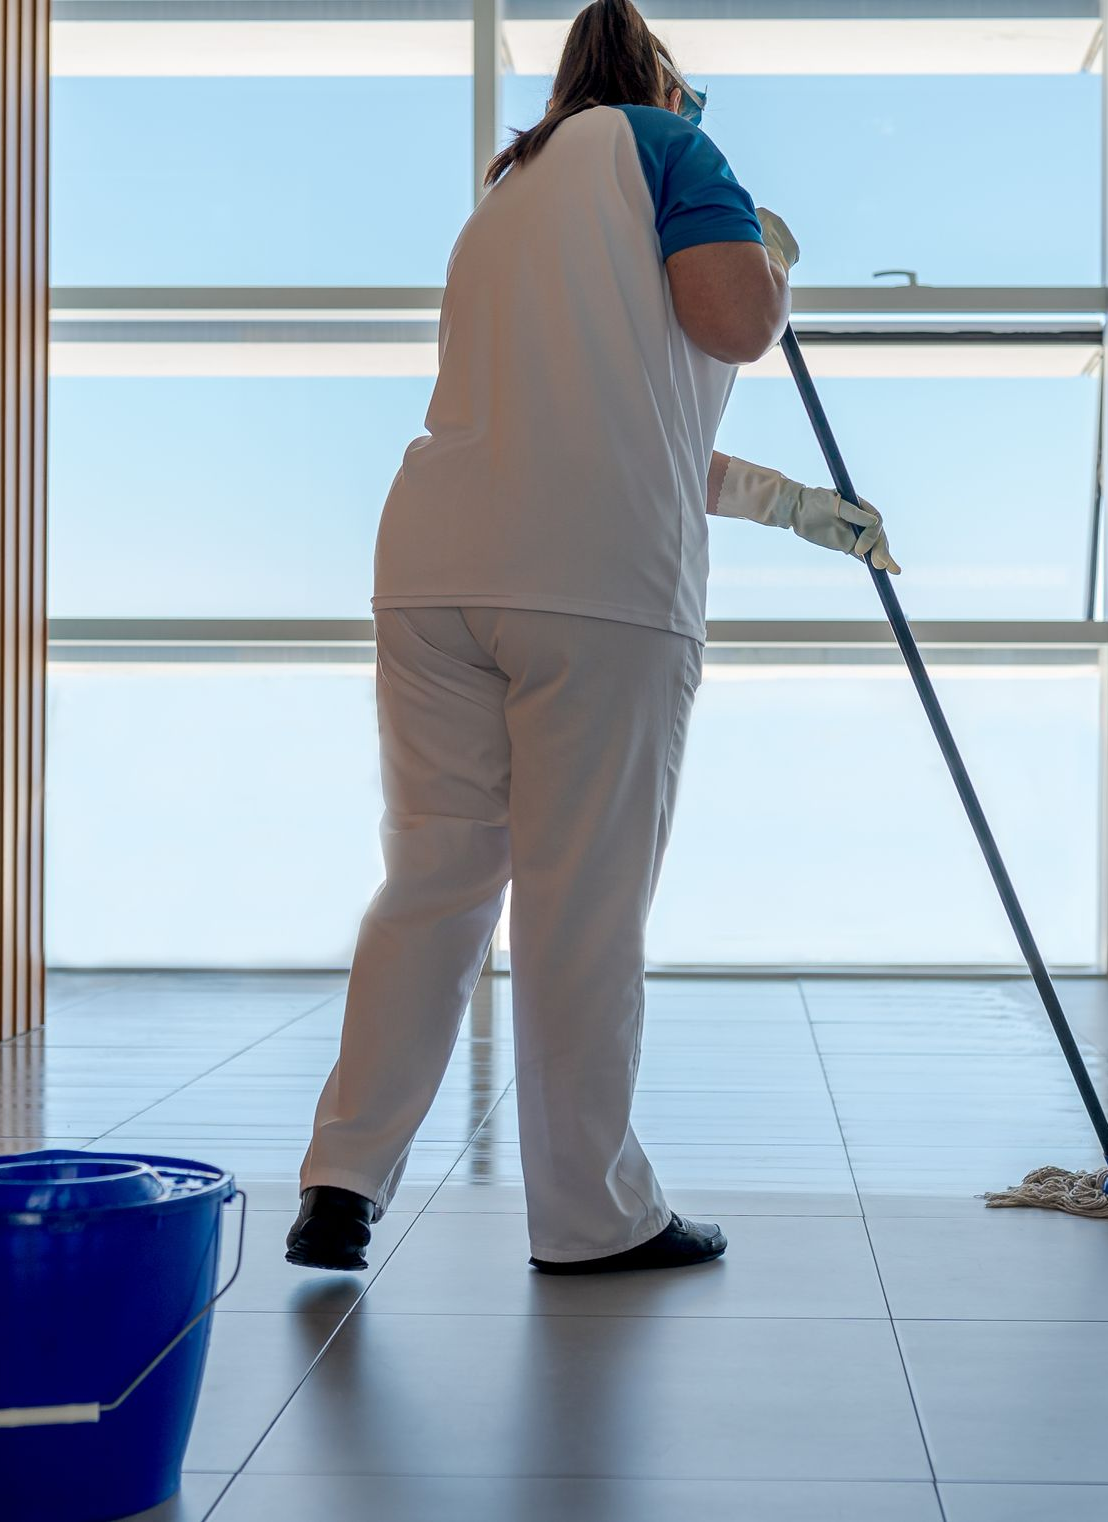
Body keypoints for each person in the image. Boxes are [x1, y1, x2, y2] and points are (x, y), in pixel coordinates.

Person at [286, 0, 897, 1276]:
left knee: (436, 881)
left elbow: (633, 421)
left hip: (435, 569)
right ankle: (591, 1216)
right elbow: (737, 324)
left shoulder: (506, 198)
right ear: (662, 82)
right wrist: (766, 252)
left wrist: (797, 507)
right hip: (594, 587)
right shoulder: (671, 149)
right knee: (581, 904)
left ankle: (338, 1182)